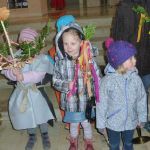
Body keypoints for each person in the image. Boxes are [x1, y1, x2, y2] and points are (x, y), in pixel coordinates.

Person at [53, 15, 101, 150]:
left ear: (81, 42)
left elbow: (97, 76)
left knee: (86, 123)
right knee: (74, 124)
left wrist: (99, 93)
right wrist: (65, 85)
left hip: (86, 100)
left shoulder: (88, 59)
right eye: (65, 43)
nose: (68, 47)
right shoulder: (61, 62)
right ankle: (73, 141)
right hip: (71, 102)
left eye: (72, 43)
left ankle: (88, 141)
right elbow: (55, 80)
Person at [1, 28, 54, 150]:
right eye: (24, 42)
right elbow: (6, 70)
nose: (27, 46)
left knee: (41, 113)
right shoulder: (15, 57)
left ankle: (45, 134)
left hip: (35, 92)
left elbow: (39, 74)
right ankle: (32, 135)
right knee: (26, 113)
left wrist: (22, 76)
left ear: (36, 44)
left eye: (30, 43)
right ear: (19, 43)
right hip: (21, 91)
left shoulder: (40, 58)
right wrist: (13, 73)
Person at [96, 38, 147, 150]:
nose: (134, 61)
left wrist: (142, 117)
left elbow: (141, 99)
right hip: (113, 122)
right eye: (130, 59)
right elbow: (101, 103)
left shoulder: (136, 79)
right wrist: (100, 124)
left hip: (131, 120)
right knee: (114, 145)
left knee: (129, 143)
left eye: (134, 57)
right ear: (119, 62)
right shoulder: (107, 81)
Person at [111, 0, 150, 93]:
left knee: (143, 96)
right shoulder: (125, 6)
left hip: (147, 63)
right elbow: (117, 33)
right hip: (128, 64)